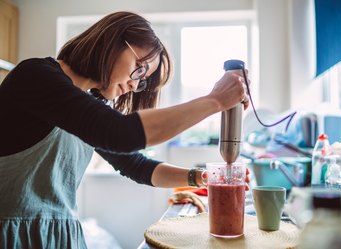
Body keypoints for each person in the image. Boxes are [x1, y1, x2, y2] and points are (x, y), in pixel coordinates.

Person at [0, 11, 250, 248]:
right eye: (139, 68)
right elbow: (120, 133)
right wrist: (215, 101)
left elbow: (136, 166)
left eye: (142, 80)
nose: (134, 83)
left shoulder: (87, 107)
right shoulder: (35, 75)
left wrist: (201, 177)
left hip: (60, 236)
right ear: (113, 42)